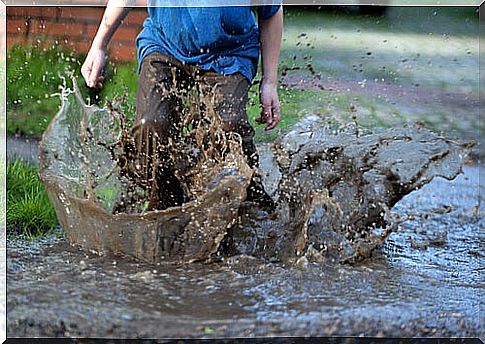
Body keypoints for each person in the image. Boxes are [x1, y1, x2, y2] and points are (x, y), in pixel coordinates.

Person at [81, 1, 283, 211]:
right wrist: (99, 45)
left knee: (228, 125)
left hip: (231, 51)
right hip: (165, 45)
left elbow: (271, 12)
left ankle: (251, 197)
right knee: (150, 124)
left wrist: (269, 81)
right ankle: (166, 199)